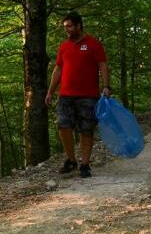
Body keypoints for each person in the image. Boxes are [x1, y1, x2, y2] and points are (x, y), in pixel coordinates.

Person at [45, 12, 111, 179]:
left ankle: (85, 164)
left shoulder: (93, 44)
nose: (67, 29)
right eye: (65, 27)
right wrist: (50, 91)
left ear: (79, 25)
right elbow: (58, 69)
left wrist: (106, 86)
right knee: (63, 125)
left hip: (88, 95)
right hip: (66, 94)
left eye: (69, 26)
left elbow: (102, 65)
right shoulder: (64, 46)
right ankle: (71, 159)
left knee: (86, 129)